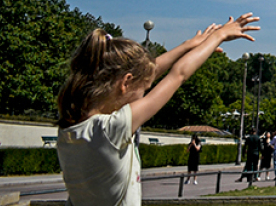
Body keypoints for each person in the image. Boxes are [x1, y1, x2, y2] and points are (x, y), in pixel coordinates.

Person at [57, 15, 259, 206]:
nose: (145, 93)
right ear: (125, 83)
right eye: (145, 89)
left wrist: (188, 46)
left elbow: (147, 74)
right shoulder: (111, 129)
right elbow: (178, 75)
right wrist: (218, 36)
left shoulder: (71, 125)